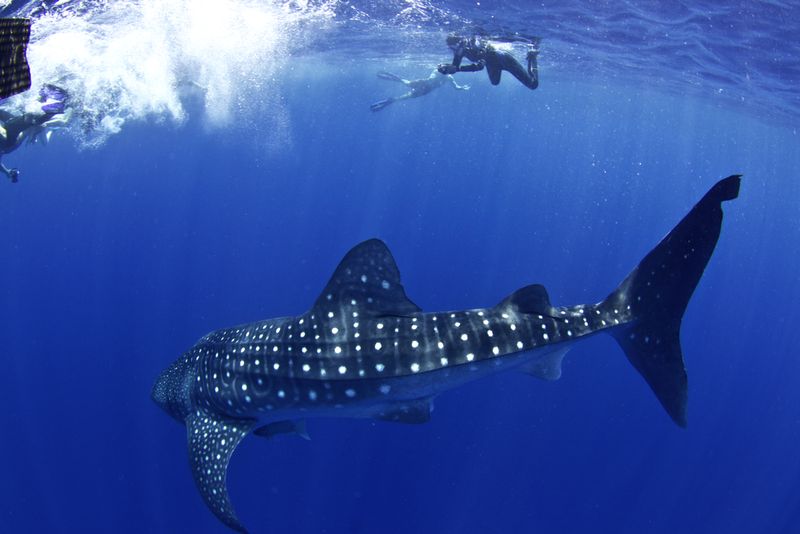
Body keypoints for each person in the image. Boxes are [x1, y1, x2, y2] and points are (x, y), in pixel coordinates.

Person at [0, 83, 69, 183]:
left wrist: (8, 172)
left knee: (28, 117)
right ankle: (59, 105)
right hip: (8, 141)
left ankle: (44, 98)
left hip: (7, 132)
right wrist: (8, 172)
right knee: (30, 119)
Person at [438, 34, 540, 90]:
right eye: (452, 49)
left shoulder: (476, 45)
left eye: (455, 48)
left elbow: (480, 66)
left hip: (503, 59)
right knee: (495, 82)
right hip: (492, 64)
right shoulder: (459, 51)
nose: (455, 51)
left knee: (533, 85)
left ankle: (532, 55)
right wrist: (446, 69)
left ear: (461, 43)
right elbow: (454, 68)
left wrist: (458, 69)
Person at [370, 68, 470, 112]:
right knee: (407, 84)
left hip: (425, 89)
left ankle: (389, 101)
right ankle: (393, 77)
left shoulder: (448, 77)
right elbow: (432, 78)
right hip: (424, 84)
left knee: (405, 96)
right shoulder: (440, 72)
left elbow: (456, 87)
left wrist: (461, 88)